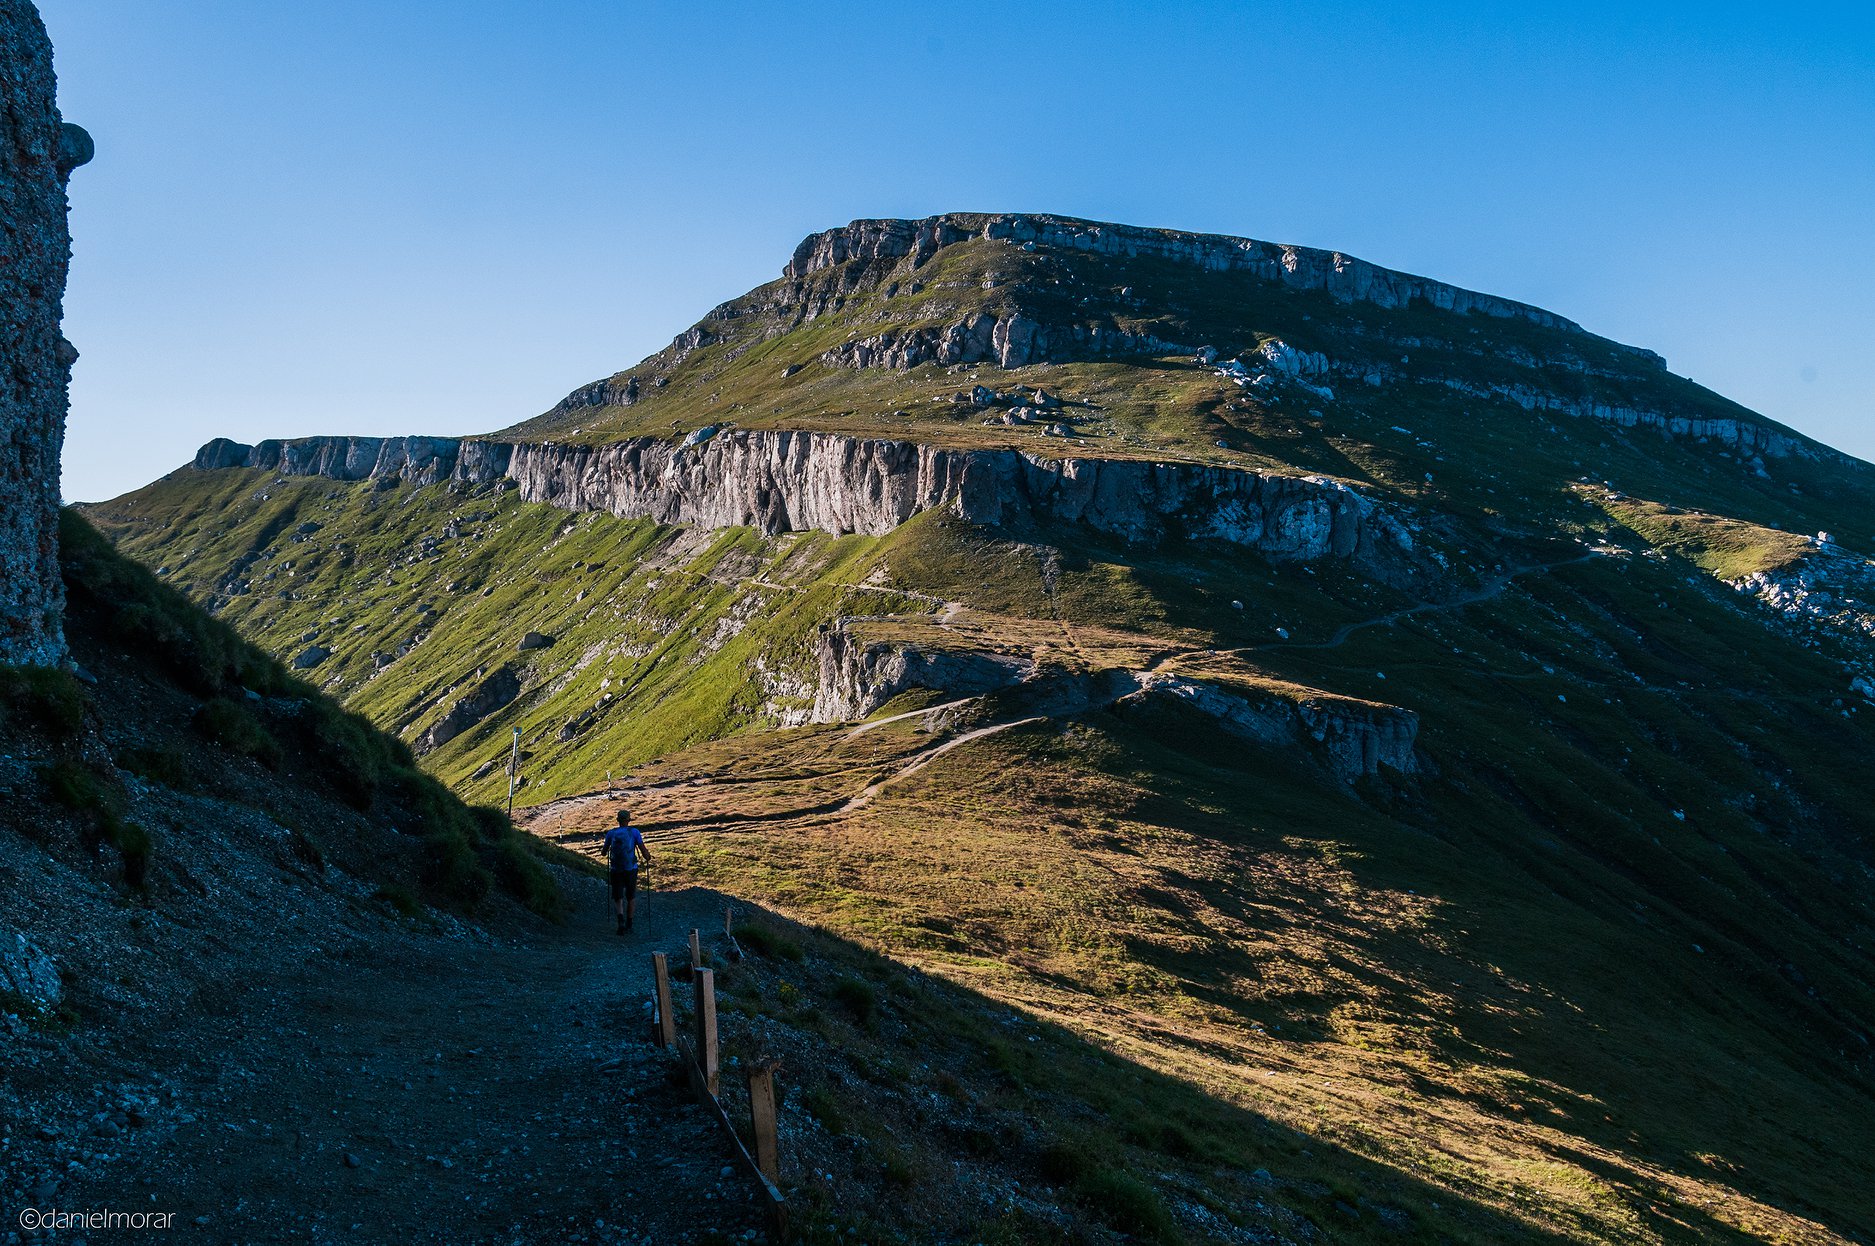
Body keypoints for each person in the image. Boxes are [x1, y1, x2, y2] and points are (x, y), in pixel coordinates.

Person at [601, 810, 652, 935]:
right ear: (628, 820)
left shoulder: (611, 833)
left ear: (618, 820)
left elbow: (604, 852)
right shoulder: (634, 832)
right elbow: (643, 851)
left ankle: (620, 921)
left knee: (618, 897)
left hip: (616, 869)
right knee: (631, 897)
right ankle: (629, 923)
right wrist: (648, 857)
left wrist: (605, 851)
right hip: (630, 869)